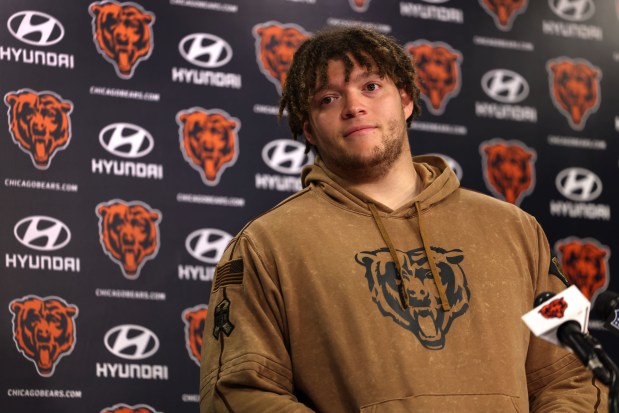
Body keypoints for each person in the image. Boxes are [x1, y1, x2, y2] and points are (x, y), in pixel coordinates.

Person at [200, 26, 607, 412]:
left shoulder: (517, 230)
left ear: (406, 99)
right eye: (328, 98)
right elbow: (238, 392)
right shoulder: (266, 244)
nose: (354, 106)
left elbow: (574, 373)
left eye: (371, 87)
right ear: (308, 129)